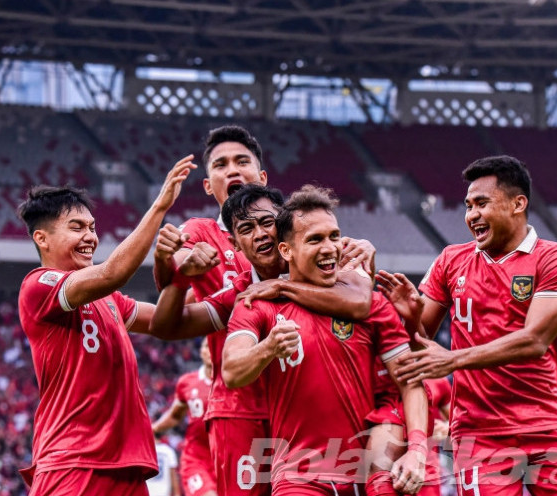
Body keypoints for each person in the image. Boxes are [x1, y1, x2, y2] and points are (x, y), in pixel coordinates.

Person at [153, 127, 374, 496]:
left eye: (242, 161)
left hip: (315, 415)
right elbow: (167, 321)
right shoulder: (239, 289)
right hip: (242, 411)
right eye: (220, 165)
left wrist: (287, 284)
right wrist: (176, 274)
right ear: (233, 241)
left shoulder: (319, 252)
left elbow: (361, 297)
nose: (259, 234)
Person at [375, 155, 557, 495]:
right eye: (468, 206)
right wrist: (409, 317)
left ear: (517, 203)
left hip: (548, 422)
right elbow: (420, 339)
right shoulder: (451, 260)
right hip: (479, 432)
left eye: (482, 203)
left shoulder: (554, 258)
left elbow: (535, 340)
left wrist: (453, 359)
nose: (472, 215)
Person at [221, 185, 429, 496]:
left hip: (364, 478)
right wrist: (267, 349)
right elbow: (232, 371)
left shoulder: (369, 304)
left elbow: (410, 383)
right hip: (298, 479)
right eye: (315, 239)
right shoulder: (257, 304)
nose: (330, 247)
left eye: (334, 236)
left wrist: (417, 451)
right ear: (286, 251)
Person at [15, 156, 196, 495]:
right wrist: (159, 207)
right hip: (74, 462)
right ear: (42, 238)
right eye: (77, 227)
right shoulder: (39, 285)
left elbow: (164, 321)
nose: (90, 237)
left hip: (125, 465)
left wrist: (232, 287)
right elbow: (113, 272)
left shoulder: (108, 299)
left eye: (92, 227)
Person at [153, 340, 217, 496]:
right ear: (201, 352)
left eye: (212, 346)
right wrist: (153, 429)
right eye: (205, 347)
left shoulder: (234, 381)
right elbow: (175, 416)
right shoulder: (188, 382)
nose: (209, 351)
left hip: (226, 460)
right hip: (196, 459)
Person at [418, 378, 452, 496]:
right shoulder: (385, 380)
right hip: (389, 465)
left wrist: (446, 427)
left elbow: (456, 417)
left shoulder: (437, 380)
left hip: (428, 469)